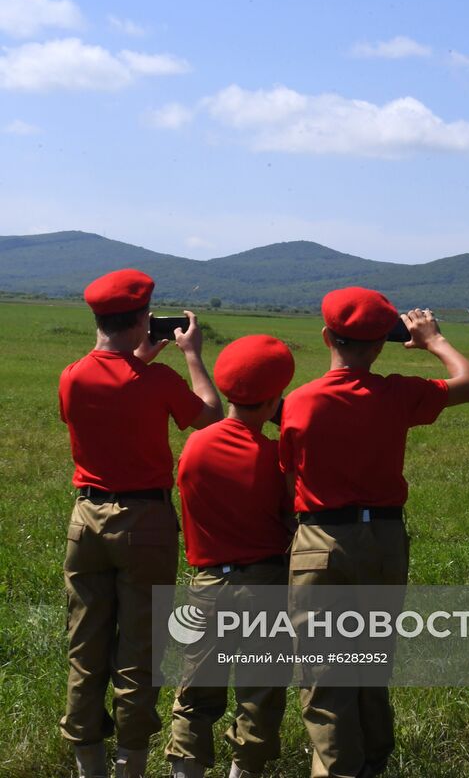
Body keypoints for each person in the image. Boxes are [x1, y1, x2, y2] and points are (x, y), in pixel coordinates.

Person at [279, 286, 469, 778]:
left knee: (323, 678)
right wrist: (434, 341)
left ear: (327, 335)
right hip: (385, 542)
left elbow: (288, 481)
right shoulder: (398, 393)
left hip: (322, 542)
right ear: (382, 344)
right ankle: (373, 762)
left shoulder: (300, 403)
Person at [59, 269, 223, 778]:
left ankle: (89, 764)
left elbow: (105, 395)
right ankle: (130, 763)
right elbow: (210, 418)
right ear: (142, 320)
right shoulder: (158, 380)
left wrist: (134, 361)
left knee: (85, 647)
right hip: (144, 522)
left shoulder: (72, 375)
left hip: (85, 518)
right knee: (139, 651)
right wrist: (192, 355)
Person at [166, 334, 295, 778]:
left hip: (208, 586)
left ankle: (186, 771)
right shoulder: (276, 459)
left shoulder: (195, 448)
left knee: (195, 692)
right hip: (266, 588)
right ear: (276, 397)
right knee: (260, 693)